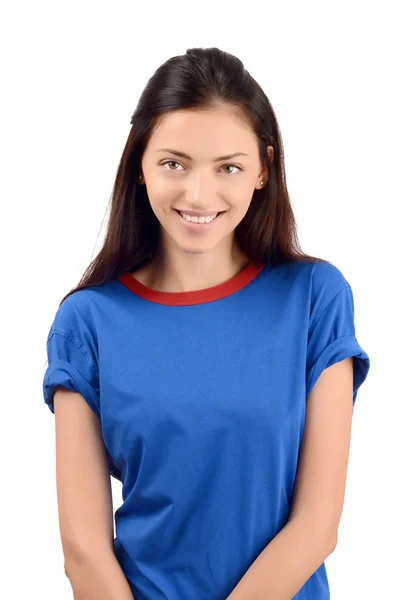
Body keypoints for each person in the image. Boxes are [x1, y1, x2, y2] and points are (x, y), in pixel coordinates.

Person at [42, 47, 370, 600]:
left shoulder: (315, 298)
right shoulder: (87, 322)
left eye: (229, 167)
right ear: (139, 165)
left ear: (263, 169)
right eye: (174, 163)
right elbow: (83, 550)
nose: (198, 194)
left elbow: (317, 525)